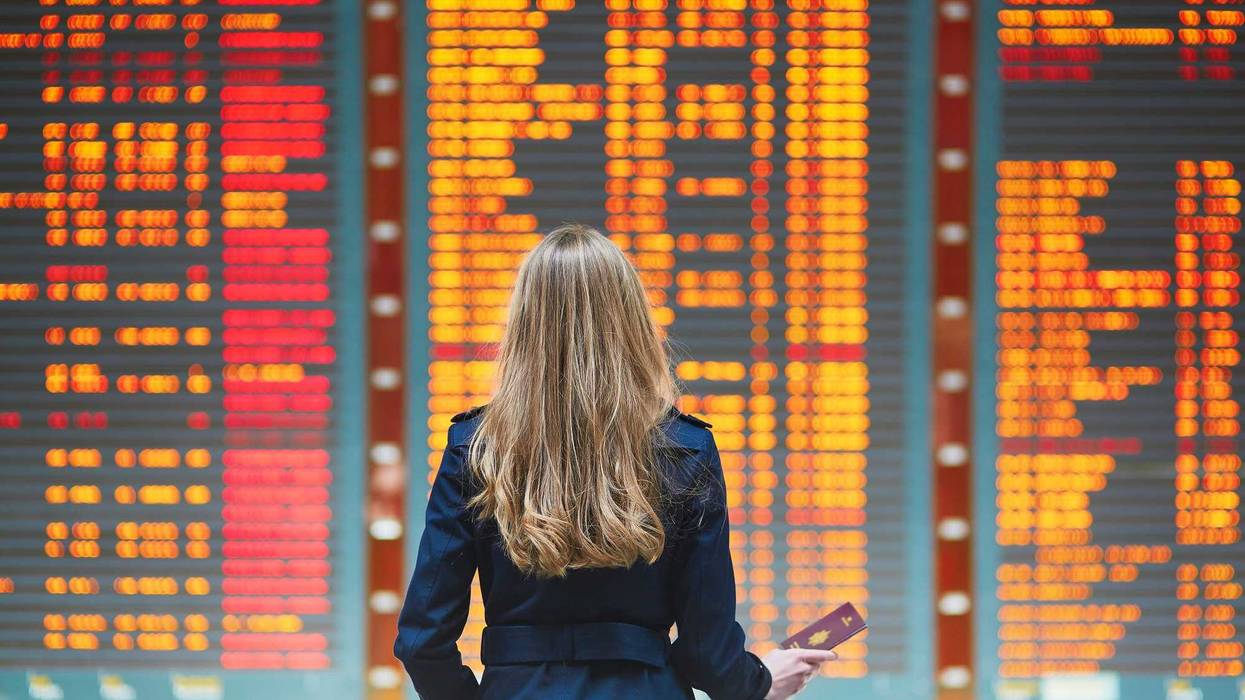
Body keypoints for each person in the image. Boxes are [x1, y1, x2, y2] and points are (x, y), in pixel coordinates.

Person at [394, 223, 837, 699]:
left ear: (523, 324)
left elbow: (423, 643)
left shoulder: (475, 448)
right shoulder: (685, 449)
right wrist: (761, 682)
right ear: (631, 319)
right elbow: (708, 650)